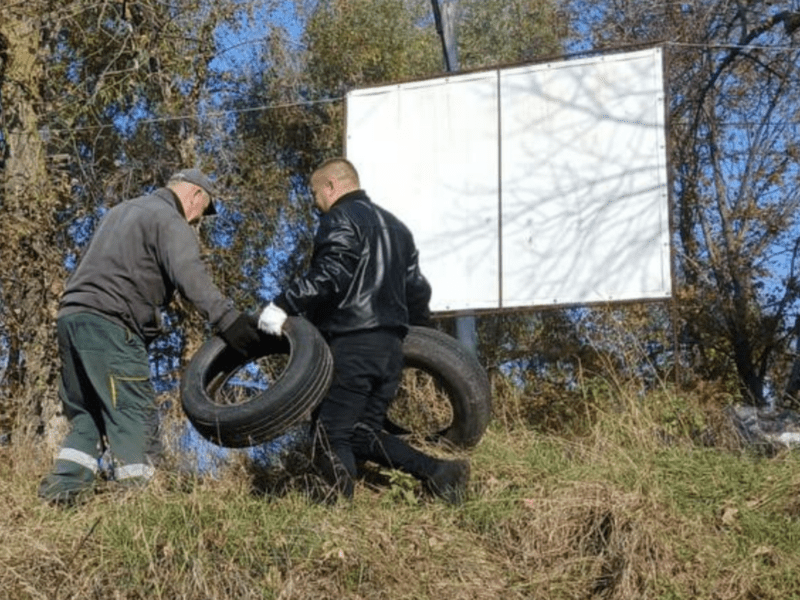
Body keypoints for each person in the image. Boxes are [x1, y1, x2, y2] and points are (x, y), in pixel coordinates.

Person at [39, 168, 262, 506]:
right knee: (134, 413)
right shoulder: (170, 221)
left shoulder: (119, 212)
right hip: (112, 326)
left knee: (88, 415)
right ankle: (140, 505)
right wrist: (229, 321)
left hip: (73, 319)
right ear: (195, 197)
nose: (199, 219)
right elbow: (191, 276)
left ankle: (61, 495)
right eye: (204, 210)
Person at [258, 157, 469, 504]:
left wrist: (282, 305)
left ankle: (335, 513)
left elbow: (331, 273)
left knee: (330, 434)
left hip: (352, 341)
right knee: (359, 434)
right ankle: (440, 473)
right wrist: (410, 334)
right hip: (391, 350)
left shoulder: (340, 217)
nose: (315, 203)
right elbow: (417, 290)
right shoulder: (397, 227)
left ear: (331, 186)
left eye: (314, 193)